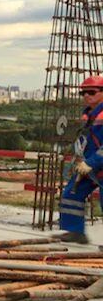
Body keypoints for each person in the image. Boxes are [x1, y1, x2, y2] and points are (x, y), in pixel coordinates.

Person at [59, 75, 103, 244]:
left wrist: (90, 163)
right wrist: (78, 161)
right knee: (71, 193)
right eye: (83, 93)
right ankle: (75, 232)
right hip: (89, 165)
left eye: (91, 92)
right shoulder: (88, 115)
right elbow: (86, 141)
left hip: (96, 165)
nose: (86, 96)